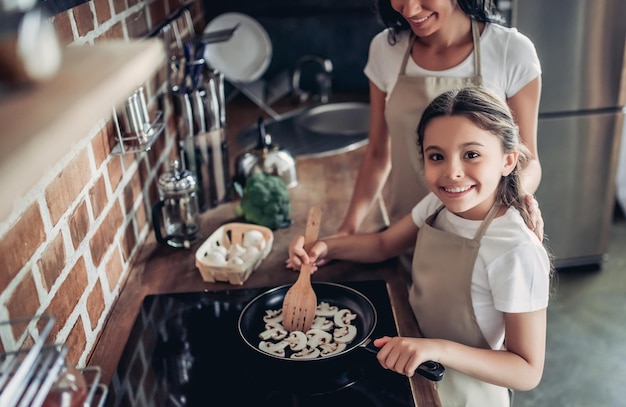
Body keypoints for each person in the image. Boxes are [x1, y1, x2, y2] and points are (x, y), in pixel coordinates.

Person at [288, 87, 552, 406]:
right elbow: (383, 244)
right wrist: (324, 248)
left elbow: (527, 371)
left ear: (507, 161)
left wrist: (437, 349)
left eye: (471, 154)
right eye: (436, 156)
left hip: (470, 391)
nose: (452, 172)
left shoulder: (516, 251)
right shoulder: (436, 206)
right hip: (416, 360)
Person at [337, 0, 543, 264]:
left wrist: (518, 196)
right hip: (404, 242)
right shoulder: (385, 49)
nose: (410, 10)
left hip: (481, 242)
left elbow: (527, 160)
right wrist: (347, 231)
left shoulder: (510, 51)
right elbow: (378, 154)